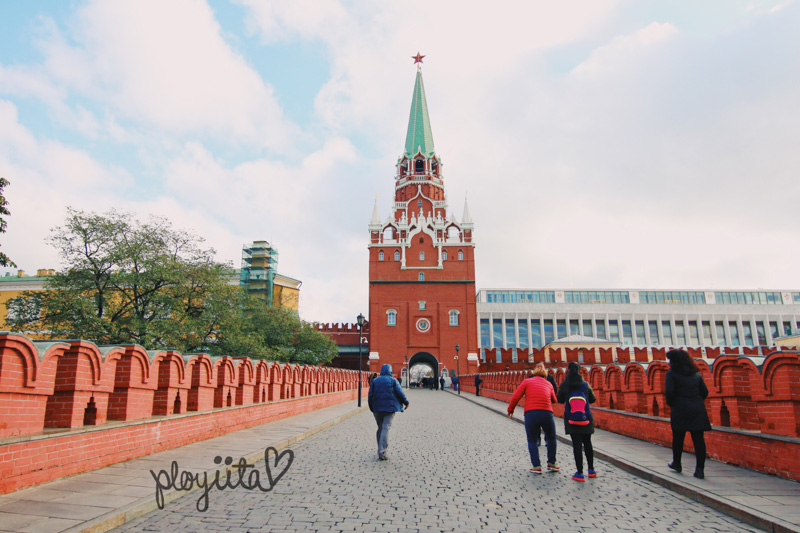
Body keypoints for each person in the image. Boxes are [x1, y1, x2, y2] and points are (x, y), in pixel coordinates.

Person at [665, 349, 711, 479]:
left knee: (678, 437)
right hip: (697, 409)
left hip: (680, 408)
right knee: (699, 440)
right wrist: (695, 401)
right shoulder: (696, 375)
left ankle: (677, 463)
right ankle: (700, 470)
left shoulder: (672, 374)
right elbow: (705, 392)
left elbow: (669, 393)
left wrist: (673, 404)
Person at [507, 366, 560, 473]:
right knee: (551, 438)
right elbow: (554, 400)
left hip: (531, 414)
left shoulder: (526, 382)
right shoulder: (549, 384)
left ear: (534, 374)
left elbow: (516, 397)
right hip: (546, 413)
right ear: (545, 376)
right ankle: (552, 463)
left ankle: (536, 466)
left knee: (532, 440)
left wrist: (510, 410)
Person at [557, 362, 597, 482]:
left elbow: (559, 400)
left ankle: (579, 473)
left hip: (571, 419)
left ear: (568, 371)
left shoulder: (565, 385)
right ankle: (591, 470)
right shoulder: (585, 385)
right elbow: (593, 399)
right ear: (579, 371)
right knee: (588, 443)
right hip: (586, 418)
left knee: (577, 445)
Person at [368, 364, 410, 461]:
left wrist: (371, 407)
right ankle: (382, 451)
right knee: (386, 428)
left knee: (380, 428)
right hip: (390, 409)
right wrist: (406, 402)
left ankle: (380, 448)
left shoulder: (375, 381)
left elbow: (370, 396)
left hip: (377, 408)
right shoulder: (393, 381)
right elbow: (400, 393)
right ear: (390, 371)